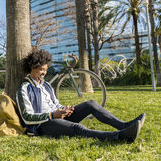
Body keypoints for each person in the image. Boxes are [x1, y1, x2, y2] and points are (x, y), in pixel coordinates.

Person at [16, 49, 145, 143]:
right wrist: (52, 115)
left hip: (57, 116)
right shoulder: (24, 89)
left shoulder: (46, 86)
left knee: (91, 104)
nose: (44, 73)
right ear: (32, 67)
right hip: (43, 125)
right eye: (41, 70)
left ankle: (124, 126)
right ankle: (120, 136)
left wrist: (65, 109)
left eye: (45, 69)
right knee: (77, 128)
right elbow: (27, 118)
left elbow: (55, 104)